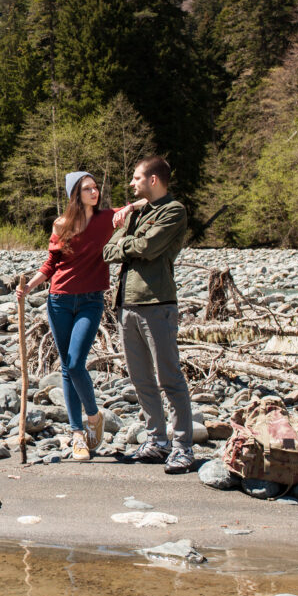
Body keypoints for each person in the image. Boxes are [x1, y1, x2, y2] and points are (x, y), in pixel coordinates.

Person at [17, 171, 136, 462]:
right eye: (87, 189)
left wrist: (128, 210)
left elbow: (143, 202)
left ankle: (93, 417)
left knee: (74, 362)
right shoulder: (61, 224)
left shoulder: (107, 218)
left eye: (95, 188)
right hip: (58, 301)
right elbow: (51, 264)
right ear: (75, 194)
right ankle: (77, 435)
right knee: (68, 368)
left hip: (91, 301)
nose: (94, 193)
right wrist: (29, 287)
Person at [102, 156, 194, 474]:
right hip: (126, 304)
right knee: (141, 379)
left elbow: (149, 248)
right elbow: (108, 251)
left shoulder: (174, 211)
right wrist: (131, 234)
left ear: (153, 180)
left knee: (170, 378)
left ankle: (183, 447)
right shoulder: (137, 212)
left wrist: (129, 242)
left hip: (157, 304)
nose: (132, 183)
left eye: (137, 178)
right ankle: (157, 441)